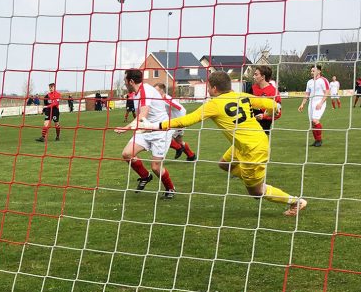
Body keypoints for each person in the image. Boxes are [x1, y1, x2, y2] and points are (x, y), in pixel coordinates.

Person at [120, 71, 306, 216]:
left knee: (256, 192)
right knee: (224, 164)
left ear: (215, 88)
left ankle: (295, 201)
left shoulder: (214, 104)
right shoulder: (242, 95)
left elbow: (186, 120)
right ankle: (250, 176)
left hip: (253, 151)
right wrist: (275, 108)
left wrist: (154, 125)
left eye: (209, 86)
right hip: (248, 143)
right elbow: (271, 104)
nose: (208, 89)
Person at [114, 69, 177, 199]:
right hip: (145, 128)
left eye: (125, 80)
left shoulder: (145, 91)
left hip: (160, 131)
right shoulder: (136, 93)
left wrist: (126, 128)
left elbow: (143, 114)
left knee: (155, 167)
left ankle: (170, 188)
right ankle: (145, 176)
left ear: (131, 81)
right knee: (127, 154)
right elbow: (142, 116)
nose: (124, 83)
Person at [155, 83, 196, 161]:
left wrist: (181, 122)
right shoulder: (161, 99)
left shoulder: (166, 99)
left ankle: (178, 148)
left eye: (156, 90)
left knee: (163, 136)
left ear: (161, 90)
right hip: (175, 121)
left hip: (178, 122)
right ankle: (191, 156)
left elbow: (180, 108)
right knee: (178, 140)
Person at [297, 64, 329, 147]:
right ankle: (316, 141)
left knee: (315, 120)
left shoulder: (323, 80)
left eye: (313, 71)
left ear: (319, 71)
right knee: (312, 123)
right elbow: (307, 94)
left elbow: (327, 92)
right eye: (311, 71)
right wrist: (302, 104)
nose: (312, 72)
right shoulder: (309, 82)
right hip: (311, 103)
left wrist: (321, 103)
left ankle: (319, 140)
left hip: (319, 102)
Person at [250, 65, 282, 135]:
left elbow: (278, 112)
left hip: (264, 126)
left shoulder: (274, 92)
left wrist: (264, 116)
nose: (253, 77)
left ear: (263, 77)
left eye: (256, 74)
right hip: (250, 123)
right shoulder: (252, 88)